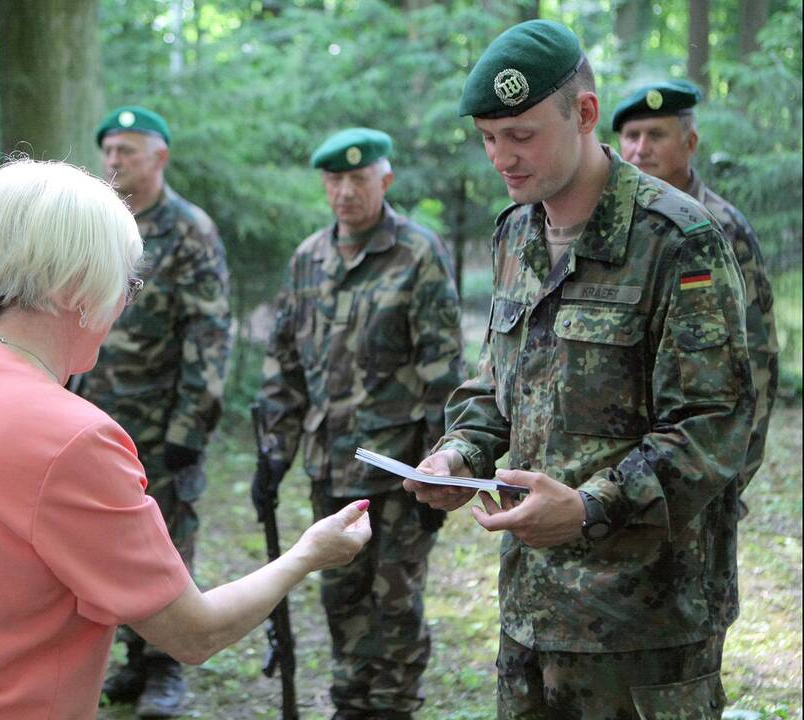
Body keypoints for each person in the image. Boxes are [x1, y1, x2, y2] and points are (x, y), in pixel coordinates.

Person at [0, 158, 371, 720]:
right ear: (76, 289)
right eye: (125, 281)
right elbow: (192, 634)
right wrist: (307, 555)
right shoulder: (73, 438)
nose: (124, 300)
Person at [404, 20, 755, 719]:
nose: (502, 157)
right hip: (532, 613)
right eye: (488, 138)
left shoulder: (676, 240)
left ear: (585, 114)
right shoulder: (516, 233)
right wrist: (457, 454)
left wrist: (593, 505)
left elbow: (714, 426)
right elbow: (494, 389)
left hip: (644, 623)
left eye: (522, 135)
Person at [255, 128, 465, 719]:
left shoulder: (418, 254)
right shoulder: (308, 260)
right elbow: (285, 369)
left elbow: (443, 374)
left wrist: (438, 471)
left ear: (385, 180)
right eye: (335, 181)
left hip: (399, 473)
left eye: (358, 179)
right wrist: (274, 453)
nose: (346, 192)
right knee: (341, 597)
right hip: (329, 468)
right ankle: (351, 703)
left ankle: (393, 707)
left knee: (394, 606)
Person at [74, 105, 232, 717]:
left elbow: (210, 333)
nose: (114, 162)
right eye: (109, 151)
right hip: (94, 419)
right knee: (106, 545)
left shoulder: (190, 230)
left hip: (163, 422)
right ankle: (132, 661)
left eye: (128, 152)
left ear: (159, 157)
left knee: (167, 544)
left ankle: (166, 668)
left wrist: (191, 426)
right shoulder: (95, 226)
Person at [612, 80, 779, 500]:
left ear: (690, 143)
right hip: (623, 475)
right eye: (631, 136)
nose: (640, 149)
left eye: (657, 135)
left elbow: (758, 358)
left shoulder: (723, 228)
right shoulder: (613, 228)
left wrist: (732, 480)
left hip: (700, 467)